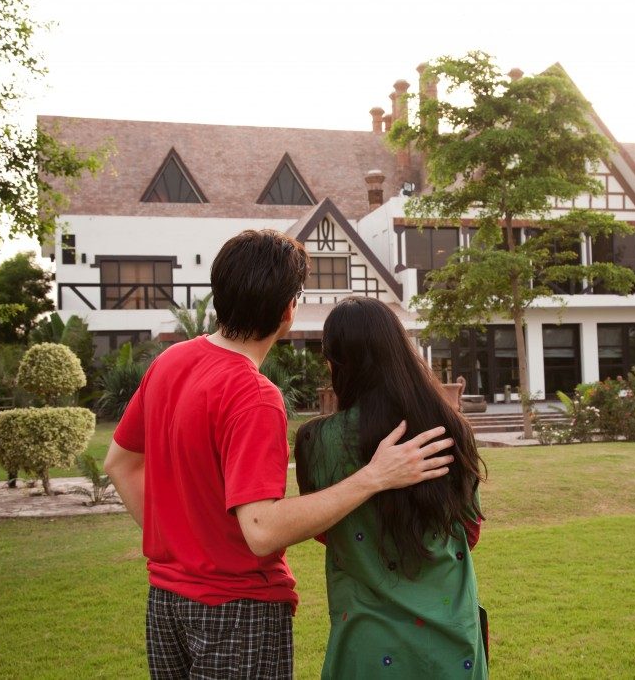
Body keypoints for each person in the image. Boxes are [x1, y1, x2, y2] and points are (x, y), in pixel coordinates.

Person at [104, 230, 455, 679]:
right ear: (289, 309)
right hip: (237, 612)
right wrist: (375, 476)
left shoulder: (170, 362)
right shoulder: (254, 395)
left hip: (167, 602)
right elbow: (262, 530)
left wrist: (179, 543)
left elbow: (120, 462)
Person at [295, 296, 488, 679]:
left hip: (365, 643)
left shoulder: (317, 441)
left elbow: (321, 527)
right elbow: (472, 529)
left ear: (336, 362)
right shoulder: (450, 429)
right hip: (452, 640)